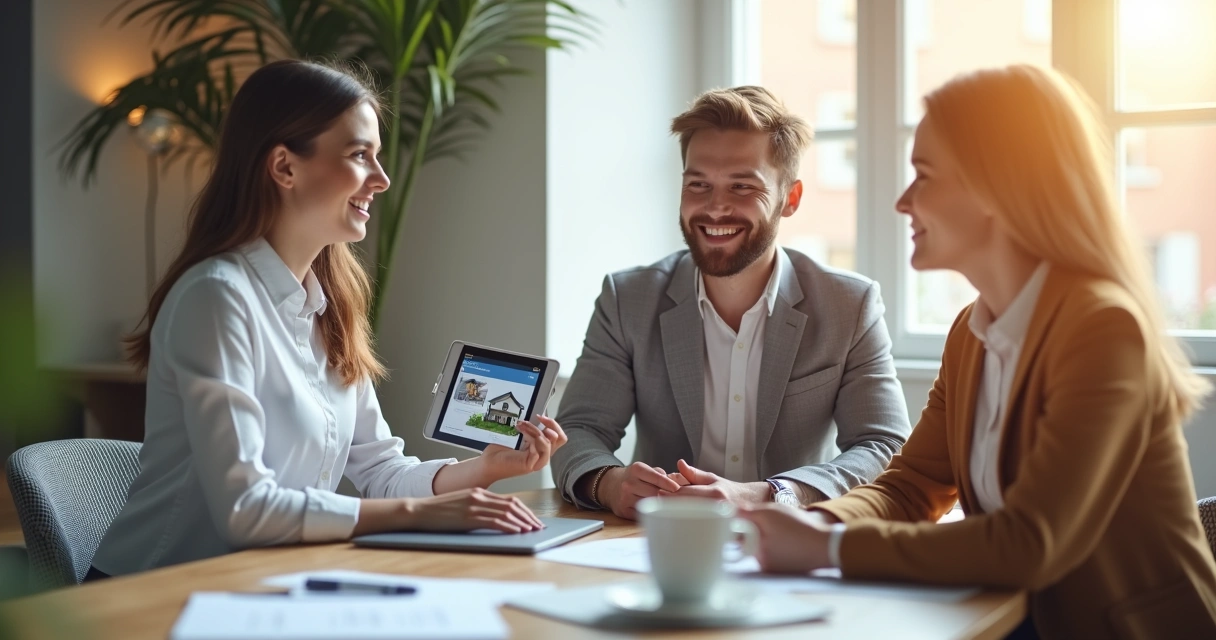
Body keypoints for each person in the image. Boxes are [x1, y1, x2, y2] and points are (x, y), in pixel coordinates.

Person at [738, 65, 1216, 638]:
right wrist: (809, 524)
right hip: (1014, 617)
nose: (903, 202)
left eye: (925, 176)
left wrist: (831, 545)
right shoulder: (971, 331)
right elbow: (911, 486)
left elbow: (1031, 541)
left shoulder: (1103, 327)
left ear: (999, 187)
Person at [90, 60, 567, 578]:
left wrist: (487, 469)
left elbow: (382, 472)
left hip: (264, 584)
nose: (381, 180)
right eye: (360, 155)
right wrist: (423, 514)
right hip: (153, 592)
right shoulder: (216, 298)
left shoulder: (328, 308)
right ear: (285, 167)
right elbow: (246, 510)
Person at [550, 86, 911, 520]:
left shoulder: (849, 305)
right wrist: (608, 483)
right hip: (658, 541)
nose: (716, 208)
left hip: (793, 544)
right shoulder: (627, 299)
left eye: (742, 186)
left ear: (789, 199)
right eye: (698, 185)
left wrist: (772, 494)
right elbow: (578, 429)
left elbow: (884, 446)